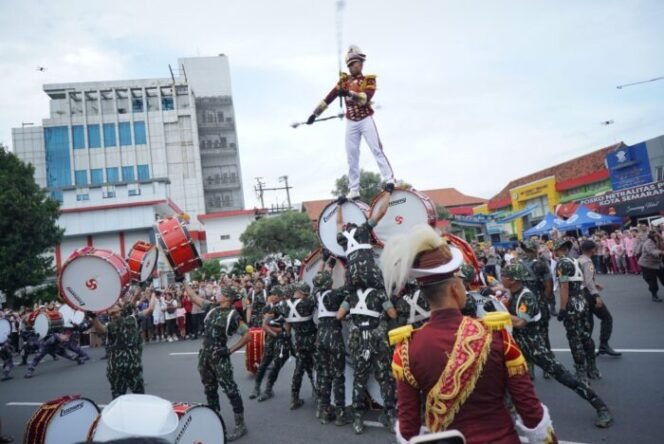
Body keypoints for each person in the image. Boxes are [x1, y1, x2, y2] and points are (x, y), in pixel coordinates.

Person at [383, 225, 556, 444]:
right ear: (455, 289)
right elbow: (532, 415)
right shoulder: (497, 335)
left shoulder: (406, 349)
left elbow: (408, 431)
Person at [501, 264, 613, 428]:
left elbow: (520, 322)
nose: (501, 278)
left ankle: (601, 407)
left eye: (504, 276)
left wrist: (498, 314)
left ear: (512, 280)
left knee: (566, 378)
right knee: (504, 379)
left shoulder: (526, 297)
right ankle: (507, 416)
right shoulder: (514, 293)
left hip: (535, 348)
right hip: (519, 347)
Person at [336, 188, 397, 434]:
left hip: (352, 282)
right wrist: (388, 194)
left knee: (360, 378)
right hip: (371, 282)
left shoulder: (343, 238)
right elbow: (380, 213)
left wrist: (339, 204)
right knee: (384, 375)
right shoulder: (362, 231)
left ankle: (358, 418)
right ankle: (390, 415)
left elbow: (338, 222)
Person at [306, 45, 395, 200]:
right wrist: (315, 114)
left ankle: (390, 180)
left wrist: (348, 93)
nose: (358, 66)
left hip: (365, 119)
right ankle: (354, 189)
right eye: (355, 64)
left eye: (359, 63)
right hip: (351, 122)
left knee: (376, 149)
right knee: (352, 155)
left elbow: (365, 98)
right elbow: (329, 98)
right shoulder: (343, 82)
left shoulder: (369, 80)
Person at [183, 283, 249, 441]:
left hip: (219, 357)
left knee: (231, 390)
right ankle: (215, 422)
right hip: (205, 357)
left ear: (227, 297)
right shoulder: (211, 308)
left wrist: (229, 350)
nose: (217, 293)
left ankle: (241, 425)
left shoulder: (233, 315)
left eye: (220, 292)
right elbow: (193, 297)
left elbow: (248, 335)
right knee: (210, 390)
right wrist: (183, 280)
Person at [89, 287, 157, 398]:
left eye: (115, 312)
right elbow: (101, 329)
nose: (114, 315)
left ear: (121, 311)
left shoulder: (133, 319)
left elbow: (149, 309)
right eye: (111, 314)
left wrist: (153, 295)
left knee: (140, 396)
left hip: (133, 366)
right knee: (117, 397)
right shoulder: (110, 326)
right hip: (116, 368)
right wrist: (93, 318)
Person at [554, 239, 601, 383]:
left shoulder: (562, 263)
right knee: (586, 336)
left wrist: (562, 308)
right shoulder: (575, 261)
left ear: (558, 249)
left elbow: (564, 287)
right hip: (582, 300)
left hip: (572, 303)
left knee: (575, 339)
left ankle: (581, 373)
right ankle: (592, 368)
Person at [313, 256, 349, 425]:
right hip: (334, 335)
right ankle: (340, 414)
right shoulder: (336, 294)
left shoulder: (316, 295)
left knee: (324, 375)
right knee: (338, 375)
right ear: (329, 283)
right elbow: (350, 286)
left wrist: (328, 264)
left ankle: (324, 410)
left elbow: (319, 280)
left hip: (320, 336)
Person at [518, 239, 555, 378]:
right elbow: (549, 285)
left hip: (523, 305)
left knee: (525, 335)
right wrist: (543, 300)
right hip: (539, 303)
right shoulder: (542, 264)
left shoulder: (518, 265)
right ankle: (548, 368)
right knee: (544, 335)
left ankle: (530, 368)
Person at [578, 240, 621, 356]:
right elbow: (588, 280)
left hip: (580, 293)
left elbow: (582, 279)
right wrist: (596, 295)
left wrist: (594, 283)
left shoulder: (579, 260)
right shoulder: (587, 262)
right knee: (607, 318)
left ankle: (586, 348)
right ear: (592, 250)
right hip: (588, 294)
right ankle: (603, 345)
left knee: (589, 322)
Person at [250, 286, 291, 402]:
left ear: (281, 296)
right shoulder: (267, 308)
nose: (273, 296)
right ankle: (256, 387)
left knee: (277, 364)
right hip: (271, 338)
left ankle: (268, 389)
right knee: (264, 363)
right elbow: (263, 325)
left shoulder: (284, 307)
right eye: (272, 294)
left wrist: (279, 330)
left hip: (282, 340)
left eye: (276, 294)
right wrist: (277, 330)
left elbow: (287, 325)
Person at [282, 281, 317, 410]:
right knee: (316, 366)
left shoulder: (284, 305)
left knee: (299, 369)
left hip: (298, 340)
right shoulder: (307, 302)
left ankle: (294, 398)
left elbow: (286, 324)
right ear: (303, 293)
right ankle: (318, 391)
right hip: (312, 339)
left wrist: (288, 335)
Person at [637, 230, 664, 302]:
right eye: (655, 236)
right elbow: (653, 251)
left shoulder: (661, 240)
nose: (657, 237)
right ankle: (654, 295)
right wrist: (661, 252)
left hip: (658, 264)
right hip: (647, 265)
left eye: (658, 236)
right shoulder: (648, 243)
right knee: (652, 281)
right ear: (652, 237)